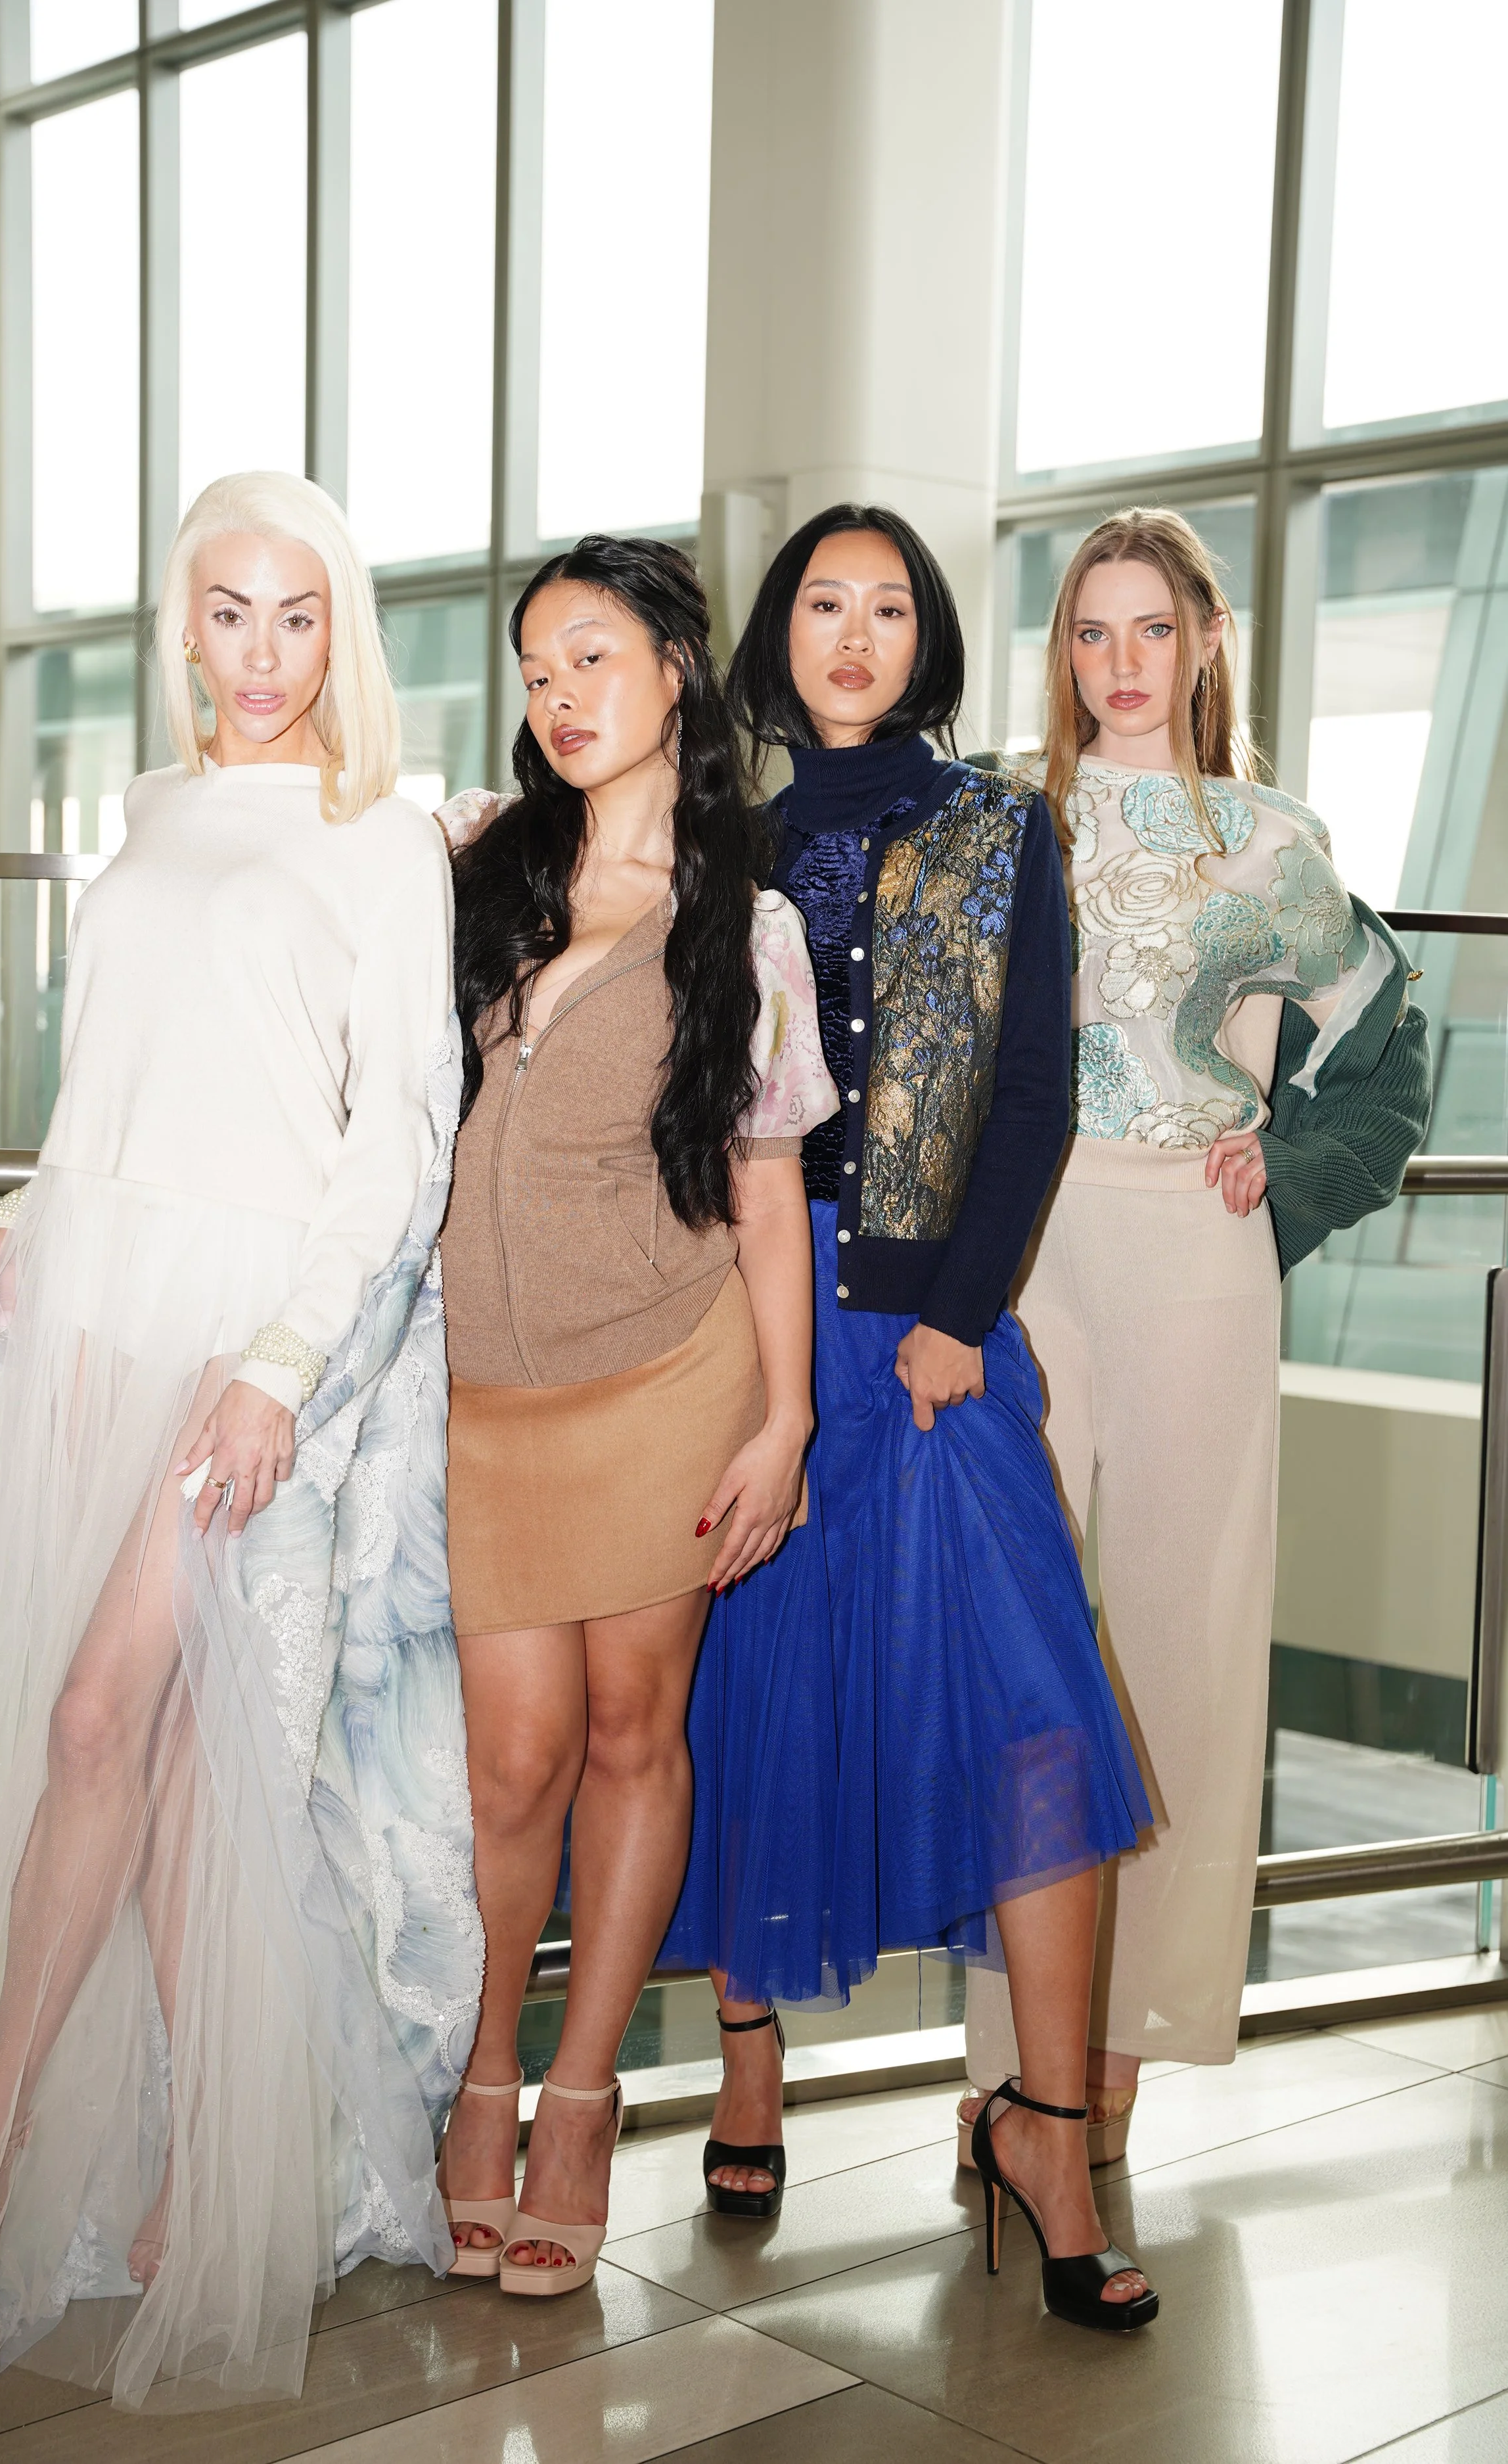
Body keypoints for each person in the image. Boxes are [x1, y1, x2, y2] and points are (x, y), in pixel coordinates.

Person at [0, 472, 480, 2406]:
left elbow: (399, 1130)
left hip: (242, 1331)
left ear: (345, 628)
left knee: (90, 1717)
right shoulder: (139, 815)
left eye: (303, 615)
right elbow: (100, 1074)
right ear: (181, 621)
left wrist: (283, 1361)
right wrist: (25, 1216)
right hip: (91, 1299)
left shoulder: (383, 833)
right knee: (172, 1767)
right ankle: (227, 2163)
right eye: (231, 612)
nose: (268, 655)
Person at [664, 505, 1158, 2331]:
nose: (853, 633)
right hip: (738, 1318)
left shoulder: (990, 824)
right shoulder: (714, 834)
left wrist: (960, 1311)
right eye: (821, 603)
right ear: (777, 637)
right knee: (730, 1687)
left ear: (925, 637)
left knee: (1036, 1712)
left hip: (933, 1336)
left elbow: (1028, 1086)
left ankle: (1043, 2121)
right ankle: (742, 2058)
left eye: (886, 607)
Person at [960, 505, 1431, 2160]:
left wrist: (1282, 1165)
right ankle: (1007, 2055)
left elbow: (1388, 1061)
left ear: (1203, 639)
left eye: (1147, 630)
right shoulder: (1002, 823)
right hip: (1016, 1257)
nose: (1117, 665)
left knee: (1180, 1648)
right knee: (1016, 1649)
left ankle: (1117, 2062)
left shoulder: (1266, 843)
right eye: (1089, 634)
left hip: (1191, 1254)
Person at [432, 536, 833, 2298]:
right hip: (483, 1399)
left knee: (626, 1731)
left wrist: (785, 1424)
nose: (562, 697)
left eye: (592, 656)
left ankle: (578, 2093)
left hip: (671, 1382)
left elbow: (761, 1195)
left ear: (674, 666)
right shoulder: (472, 872)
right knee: (509, 1757)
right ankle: (477, 2063)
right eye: (536, 672)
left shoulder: (744, 924)